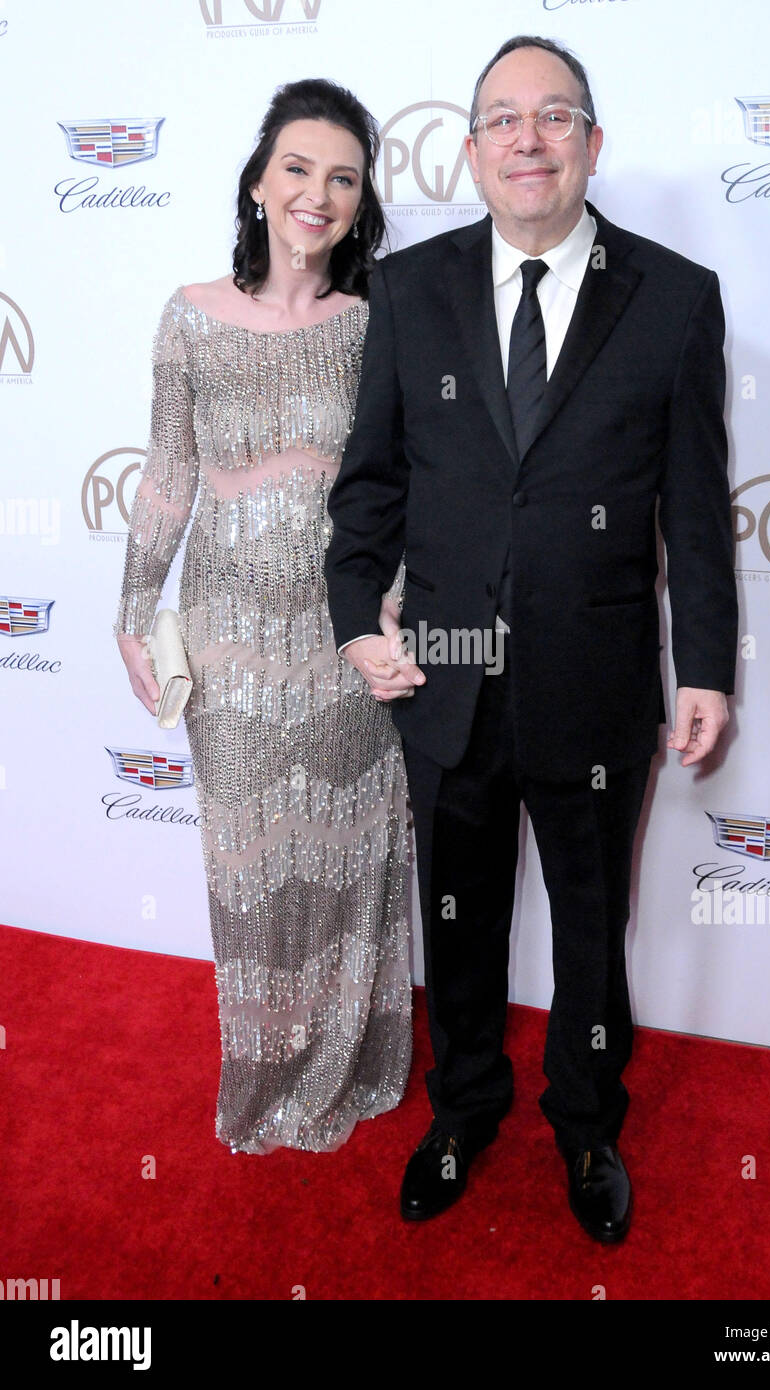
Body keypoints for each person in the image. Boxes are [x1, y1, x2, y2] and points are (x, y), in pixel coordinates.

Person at [324, 36, 738, 1238]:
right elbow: (368, 492)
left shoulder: (673, 297)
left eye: (552, 115)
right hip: (442, 682)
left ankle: (587, 1122)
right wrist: (358, 622)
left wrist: (703, 662)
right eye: (501, 119)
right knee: (455, 917)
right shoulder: (409, 291)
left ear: (591, 144)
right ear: (469, 151)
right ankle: (460, 1112)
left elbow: (696, 508)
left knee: (589, 922)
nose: (526, 137)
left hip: (597, 682)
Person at [114, 79, 412, 1154]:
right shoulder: (189, 314)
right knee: (250, 869)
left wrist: (395, 614)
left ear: (360, 200)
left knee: (348, 857)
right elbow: (167, 471)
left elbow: (400, 484)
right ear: (255, 181)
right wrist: (131, 607)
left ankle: (353, 1059)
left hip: (345, 631)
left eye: (341, 176)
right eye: (296, 167)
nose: (316, 193)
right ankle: (265, 1068)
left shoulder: (377, 324)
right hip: (232, 637)